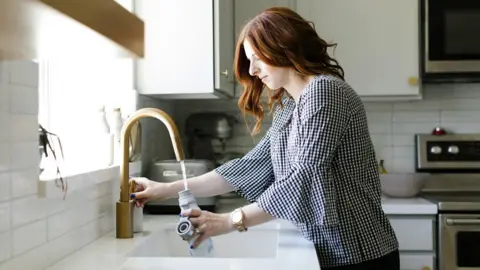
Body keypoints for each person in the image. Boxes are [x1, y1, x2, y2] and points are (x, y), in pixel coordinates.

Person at [130, 6, 400, 270]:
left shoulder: (325, 91)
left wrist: (229, 221)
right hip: (329, 251)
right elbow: (247, 168)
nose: (252, 70)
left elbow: (303, 178)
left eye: (256, 57)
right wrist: (163, 189)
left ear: (283, 45)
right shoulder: (290, 106)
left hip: (360, 253)